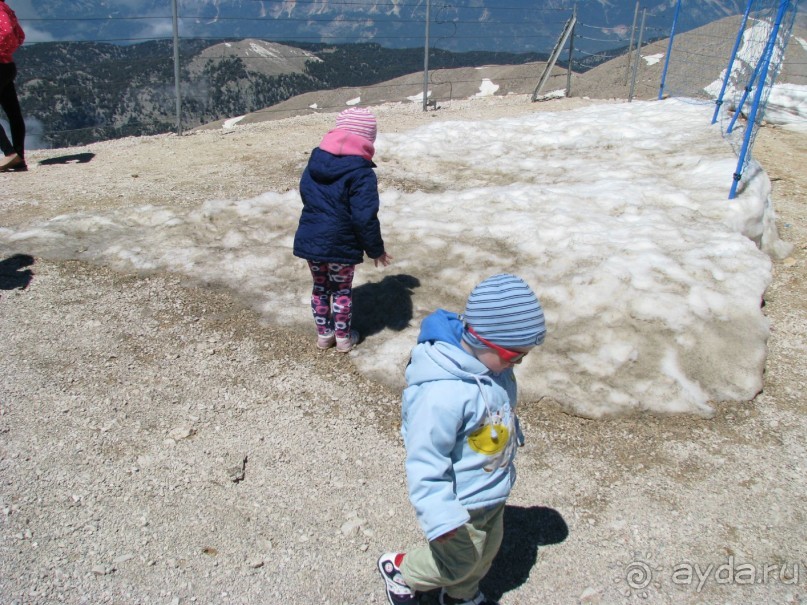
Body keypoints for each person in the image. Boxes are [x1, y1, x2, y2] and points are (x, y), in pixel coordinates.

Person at [378, 273, 546, 605]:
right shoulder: (442, 394)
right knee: (458, 561)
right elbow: (425, 461)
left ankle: (461, 595)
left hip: (492, 489)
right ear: (483, 341)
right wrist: (440, 516)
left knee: (484, 554)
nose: (518, 364)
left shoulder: (494, 368)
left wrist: (512, 433)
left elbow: (499, 407)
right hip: (460, 501)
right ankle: (402, 571)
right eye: (514, 356)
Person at [293, 107, 392, 353]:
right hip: (341, 241)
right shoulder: (361, 172)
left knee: (320, 286)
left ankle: (324, 335)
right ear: (368, 139)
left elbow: (305, 191)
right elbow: (364, 216)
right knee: (341, 290)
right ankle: (344, 339)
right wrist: (375, 249)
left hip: (311, 237)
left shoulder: (316, 159)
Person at [0, 0, 26, 172]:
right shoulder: (6, 8)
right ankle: (19, 158)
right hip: (7, 66)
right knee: (13, 112)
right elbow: (19, 35)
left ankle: (10, 154)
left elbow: (7, 33)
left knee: (13, 113)